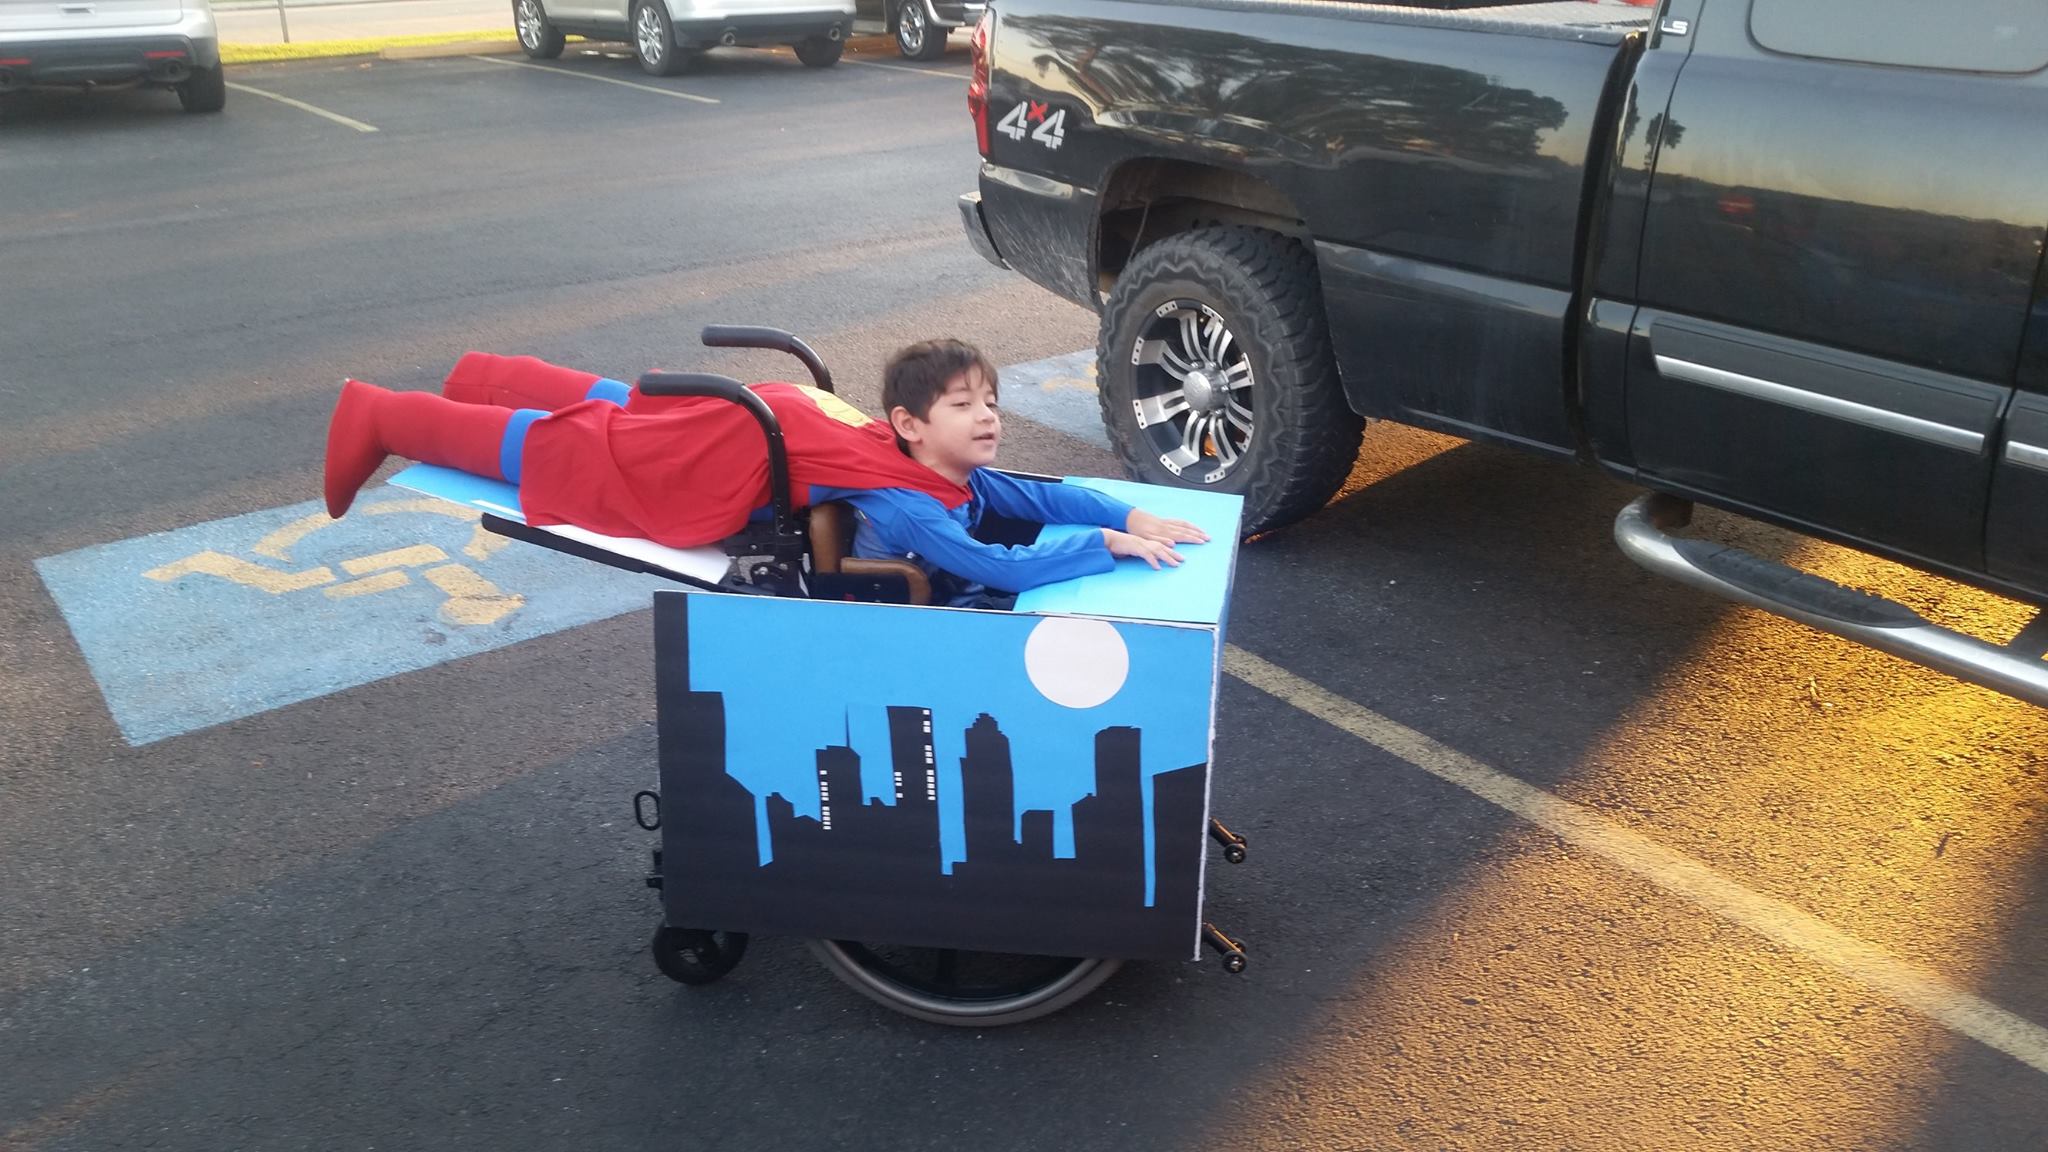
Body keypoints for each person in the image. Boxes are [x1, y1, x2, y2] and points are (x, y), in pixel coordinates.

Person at [320, 339, 1206, 606]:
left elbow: (1035, 494)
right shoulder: (908, 503)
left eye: (991, 403)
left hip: (775, 417)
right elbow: (993, 565)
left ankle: (483, 378)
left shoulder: (935, 465)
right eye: (966, 405)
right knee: (586, 452)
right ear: (910, 425)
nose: (989, 418)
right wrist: (1103, 544)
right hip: (750, 441)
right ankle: (380, 415)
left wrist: (1124, 515)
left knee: (629, 416)